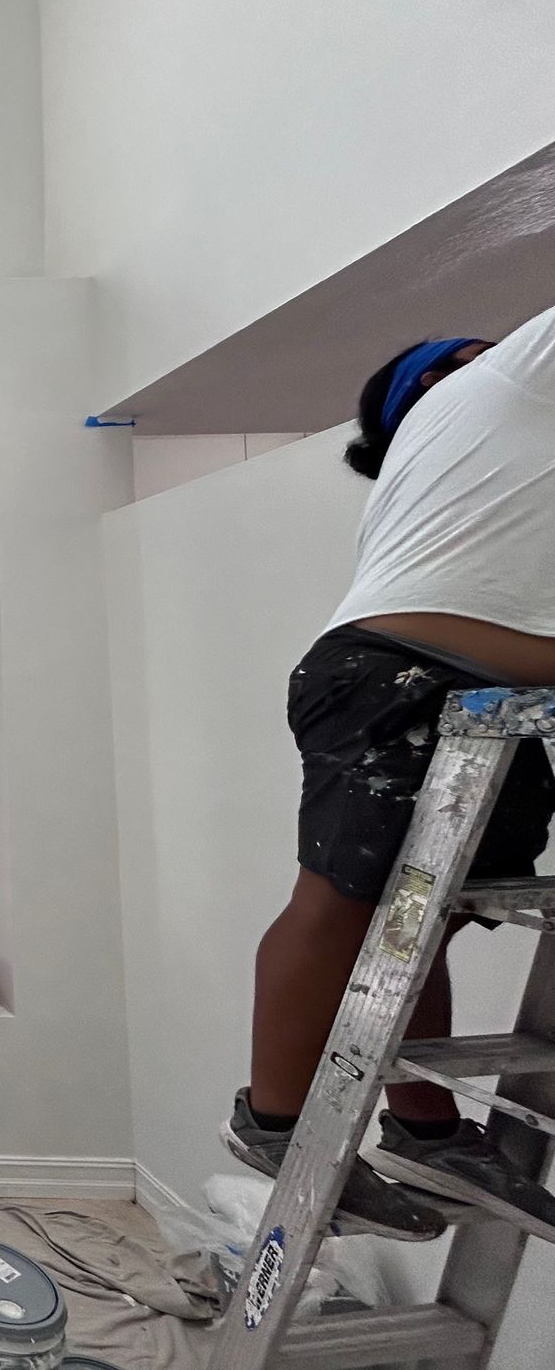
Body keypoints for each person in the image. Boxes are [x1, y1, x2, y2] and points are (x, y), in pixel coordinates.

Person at [225, 310, 555, 1238]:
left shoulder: (482, 452)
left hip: (470, 687)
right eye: (471, 350)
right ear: (435, 383)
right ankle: (279, 1128)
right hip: (393, 675)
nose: (497, 348)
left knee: (424, 919)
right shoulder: (500, 386)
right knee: (339, 905)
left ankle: (426, 1129)